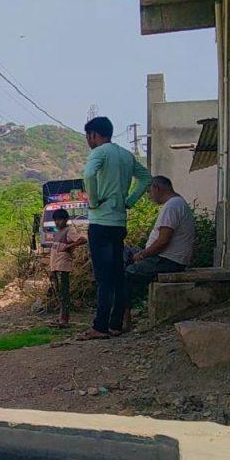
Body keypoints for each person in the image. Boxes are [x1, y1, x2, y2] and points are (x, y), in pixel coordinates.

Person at [82, 116, 152, 339]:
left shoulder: (99, 153)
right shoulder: (126, 155)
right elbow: (146, 178)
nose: (88, 141)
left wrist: (93, 201)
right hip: (119, 223)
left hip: (100, 222)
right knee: (118, 275)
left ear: (94, 134)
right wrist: (129, 201)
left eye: (88, 137)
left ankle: (100, 326)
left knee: (103, 278)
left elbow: (88, 174)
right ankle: (115, 324)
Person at [125, 176, 195, 325]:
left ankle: (123, 320)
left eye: (149, 191)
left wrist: (143, 255)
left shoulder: (172, 206)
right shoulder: (177, 203)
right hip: (165, 257)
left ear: (157, 188)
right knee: (124, 252)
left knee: (125, 275)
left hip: (167, 260)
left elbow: (163, 241)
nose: (148, 196)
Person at [49, 208, 87, 328]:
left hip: (63, 266)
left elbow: (83, 240)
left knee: (64, 293)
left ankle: (64, 319)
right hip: (55, 266)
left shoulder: (69, 231)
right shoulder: (57, 232)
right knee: (59, 293)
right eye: (55, 220)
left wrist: (69, 246)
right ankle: (61, 317)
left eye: (60, 220)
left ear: (66, 220)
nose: (57, 222)